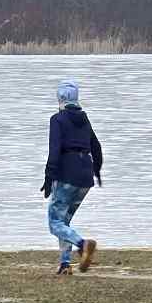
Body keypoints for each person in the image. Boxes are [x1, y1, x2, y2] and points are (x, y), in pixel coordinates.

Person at [44, 79, 105, 275]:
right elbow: (96, 147)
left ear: (60, 99)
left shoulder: (58, 119)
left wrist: (48, 176)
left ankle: (83, 244)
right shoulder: (84, 119)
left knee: (55, 222)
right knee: (65, 221)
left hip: (66, 174)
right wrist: (97, 171)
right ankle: (64, 264)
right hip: (85, 176)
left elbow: (54, 151)